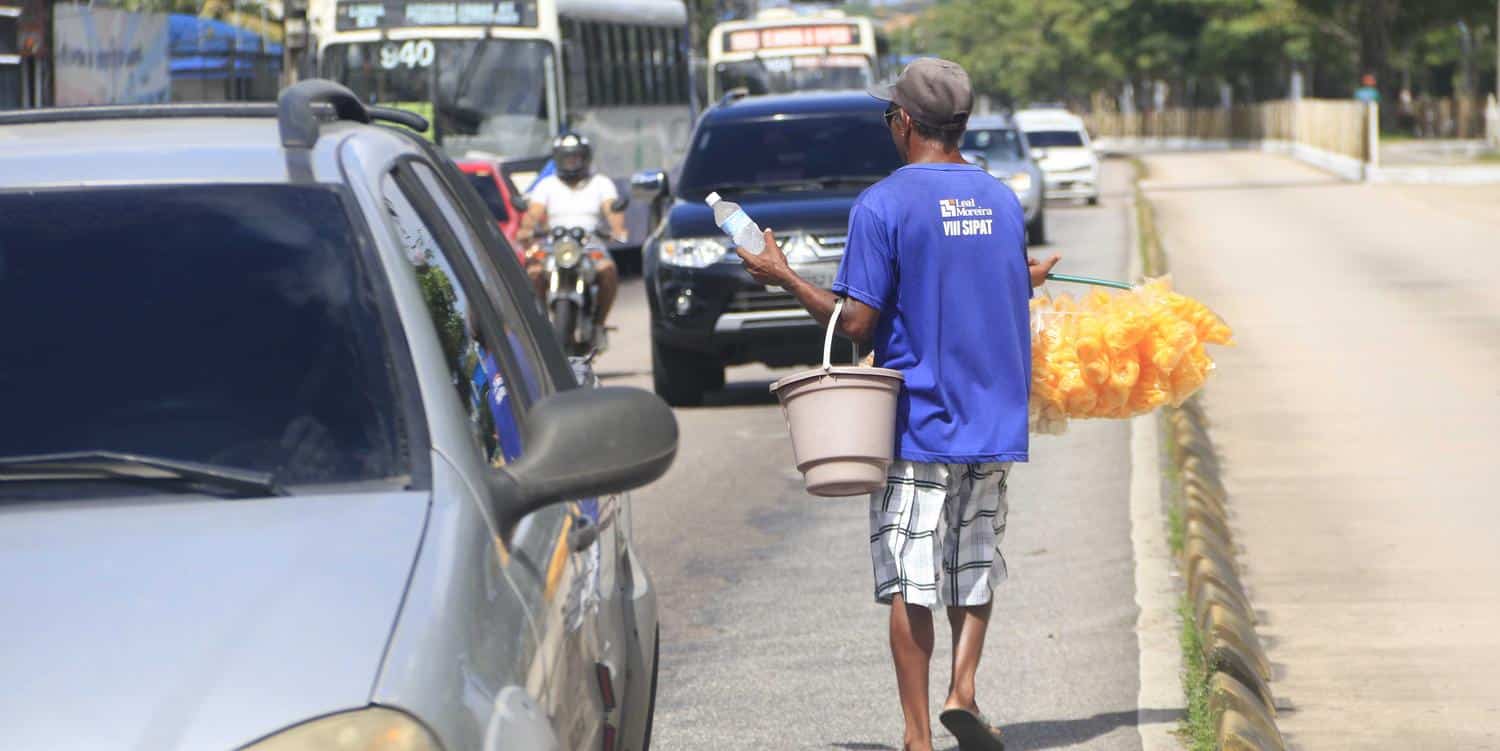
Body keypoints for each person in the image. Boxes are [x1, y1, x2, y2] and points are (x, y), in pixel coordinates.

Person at [736, 58, 1060, 751]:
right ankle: (963, 688)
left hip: (917, 420)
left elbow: (856, 322)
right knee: (974, 560)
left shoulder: (883, 204)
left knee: (912, 579)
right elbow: (991, 285)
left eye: (891, 116)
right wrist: (1021, 274)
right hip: (993, 419)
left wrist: (782, 274)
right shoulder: (1001, 200)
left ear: (904, 123)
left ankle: (918, 738)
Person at [517, 132, 626, 330]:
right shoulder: (546, 185)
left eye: (575, 157)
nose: (571, 162)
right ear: (558, 159)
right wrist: (526, 231)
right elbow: (533, 213)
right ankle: (539, 325)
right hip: (554, 244)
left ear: (585, 158)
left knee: (608, 270)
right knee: (533, 273)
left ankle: (599, 322)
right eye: (566, 158)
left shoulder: (601, 183)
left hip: (589, 243)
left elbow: (612, 209)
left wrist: (617, 230)